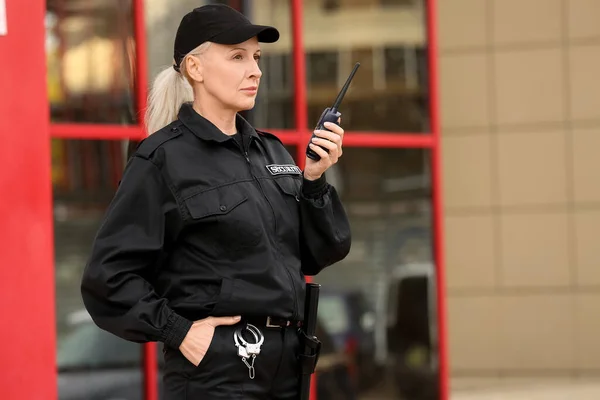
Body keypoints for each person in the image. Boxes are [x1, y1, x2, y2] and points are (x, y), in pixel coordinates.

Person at [80, 4, 351, 400]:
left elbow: (317, 254)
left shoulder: (272, 153)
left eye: (256, 57)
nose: (255, 70)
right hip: (217, 373)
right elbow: (107, 279)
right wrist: (181, 332)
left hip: (288, 366)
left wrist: (313, 182)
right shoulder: (161, 159)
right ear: (195, 68)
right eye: (237, 56)